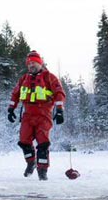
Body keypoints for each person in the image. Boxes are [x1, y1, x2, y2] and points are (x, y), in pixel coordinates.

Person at [7, 50, 66, 181]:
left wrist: (60, 109)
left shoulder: (49, 77)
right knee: (24, 140)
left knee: (43, 143)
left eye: (34, 63)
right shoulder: (24, 78)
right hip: (27, 115)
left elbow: (59, 93)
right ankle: (30, 163)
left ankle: (42, 171)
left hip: (43, 114)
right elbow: (15, 94)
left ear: (40, 63)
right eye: (29, 64)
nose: (31, 65)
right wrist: (11, 109)